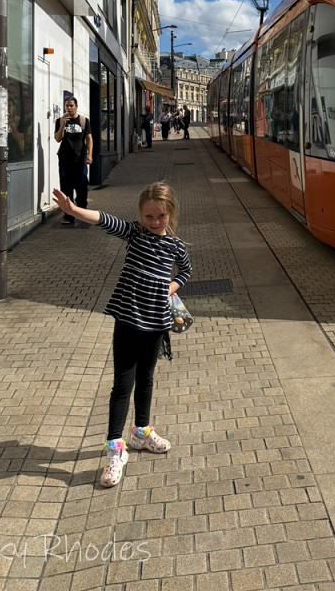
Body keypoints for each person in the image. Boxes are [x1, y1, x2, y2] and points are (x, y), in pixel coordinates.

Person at [52, 181, 192, 488]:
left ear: (170, 213)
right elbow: (104, 219)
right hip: (129, 321)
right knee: (122, 385)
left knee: (146, 378)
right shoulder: (134, 234)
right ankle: (115, 450)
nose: (155, 222)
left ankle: (141, 433)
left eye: (161, 216)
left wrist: (171, 287)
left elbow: (185, 271)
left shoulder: (176, 246)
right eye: (149, 216)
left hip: (156, 323)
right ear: (140, 215)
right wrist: (73, 209)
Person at [54, 96, 93, 225]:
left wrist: (89, 154)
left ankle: (82, 213)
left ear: (76, 106)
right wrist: (62, 125)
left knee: (82, 186)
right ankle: (68, 216)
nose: (69, 108)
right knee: (66, 188)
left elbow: (89, 138)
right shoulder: (60, 121)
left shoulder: (83, 121)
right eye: (67, 106)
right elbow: (57, 139)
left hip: (80, 159)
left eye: (71, 105)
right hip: (65, 160)